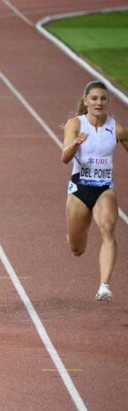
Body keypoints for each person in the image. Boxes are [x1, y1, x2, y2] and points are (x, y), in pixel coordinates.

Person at [62, 80, 128, 301]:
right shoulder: (75, 124)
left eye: (103, 98)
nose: (99, 102)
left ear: (107, 101)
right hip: (80, 188)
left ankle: (104, 286)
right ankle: (77, 231)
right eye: (94, 98)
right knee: (76, 248)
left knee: (108, 228)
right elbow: (64, 158)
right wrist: (76, 143)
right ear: (86, 101)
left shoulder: (116, 128)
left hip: (103, 188)